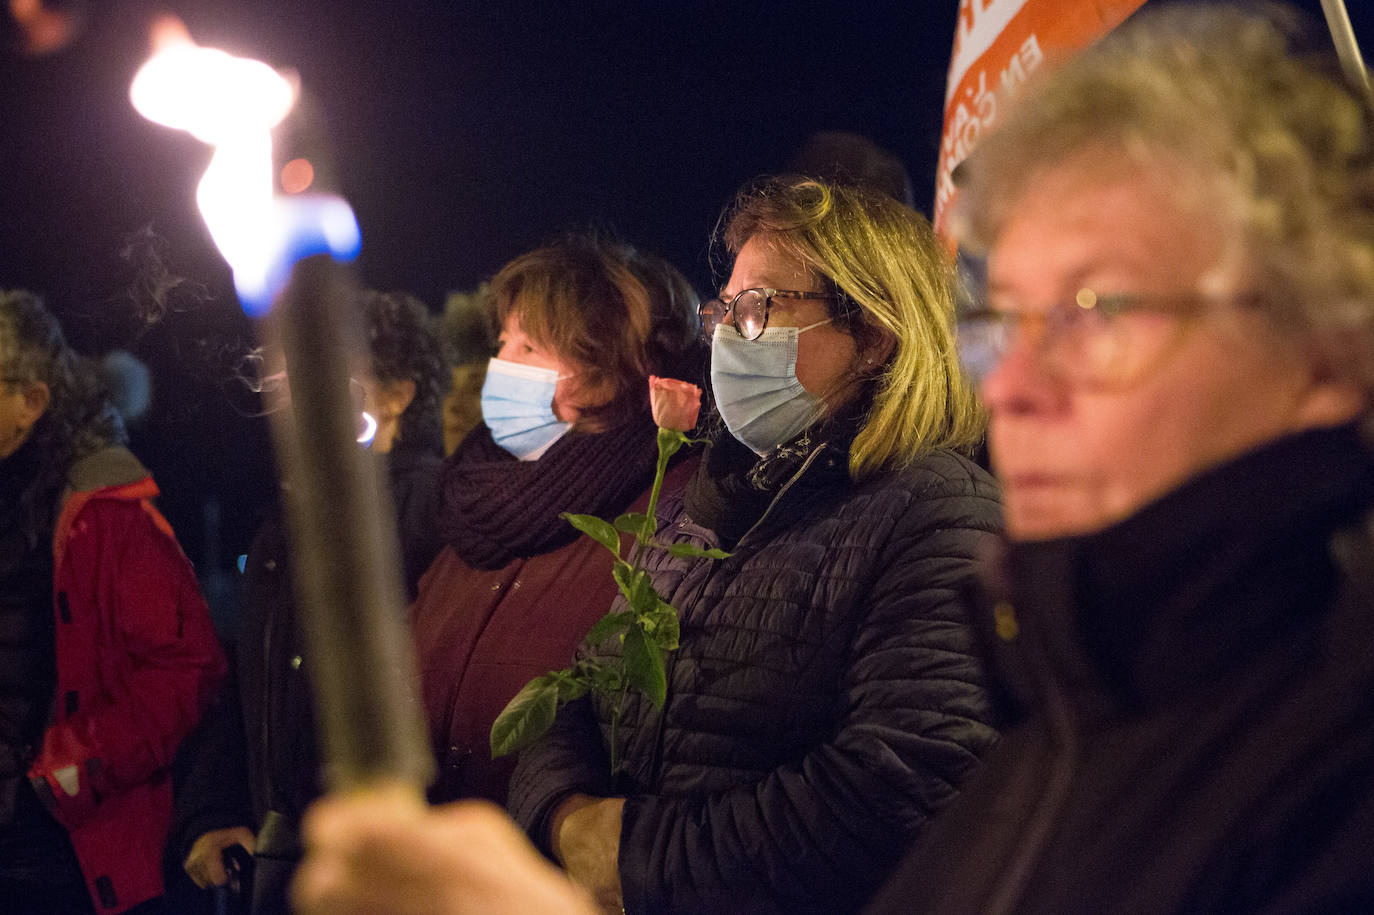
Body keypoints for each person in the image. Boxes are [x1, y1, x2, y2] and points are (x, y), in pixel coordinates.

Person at [291, 178, 1002, 915]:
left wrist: (633, 858)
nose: (726, 332)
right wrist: (566, 815)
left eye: (758, 308)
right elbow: (576, 692)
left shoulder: (935, 509)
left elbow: (904, 782)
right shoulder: (700, 509)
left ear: (874, 336)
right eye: (723, 307)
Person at [867, 3, 1374, 912]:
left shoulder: (1335, 778)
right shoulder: (1066, 709)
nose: (1011, 388)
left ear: (1329, 350)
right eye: (1000, 320)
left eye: (1095, 311)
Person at [172, 289, 448, 914]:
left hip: (375, 861)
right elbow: (249, 679)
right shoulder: (291, 519)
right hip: (284, 856)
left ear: (396, 394)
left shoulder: (432, 513)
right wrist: (212, 811)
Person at [408, 236, 702, 808]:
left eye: (532, 346)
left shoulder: (666, 511)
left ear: (611, 368)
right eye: (504, 341)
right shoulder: (472, 502)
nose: (502, 364)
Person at [0, 290, 226, 914]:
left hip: (57, 853)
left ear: (31, 402)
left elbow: (187, 668)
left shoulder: (105, 516)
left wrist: (70, 770)